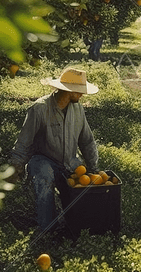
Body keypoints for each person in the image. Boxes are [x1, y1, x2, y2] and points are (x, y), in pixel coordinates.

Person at [9, 67, 100, 232]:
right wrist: (16, 166)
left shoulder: (78, 109)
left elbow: (87, 141)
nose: (82, 95)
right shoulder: (40, 109)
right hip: (43, 160)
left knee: (77, 193)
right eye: (79, 91)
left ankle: (75, 227)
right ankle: (48, 230)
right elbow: (24, 141)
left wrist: (94, 168)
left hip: (70, 162)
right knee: (44, 177)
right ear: (69, 90)